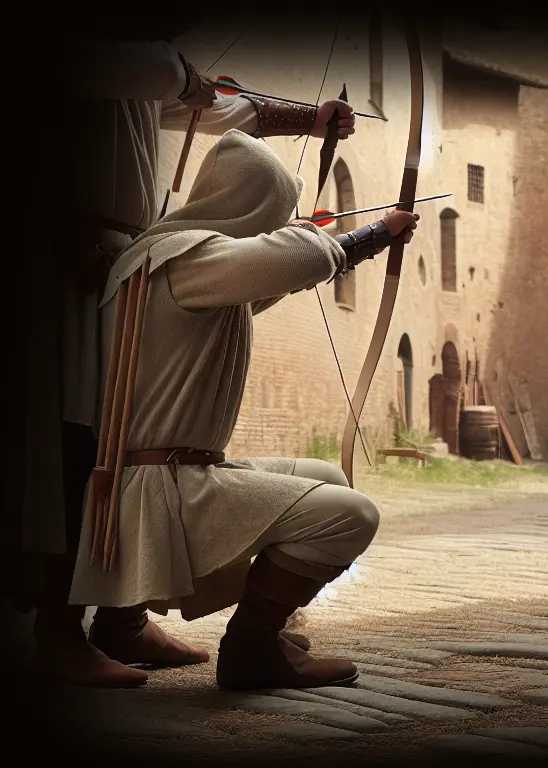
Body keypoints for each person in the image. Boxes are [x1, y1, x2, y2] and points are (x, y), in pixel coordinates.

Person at [13, 32, 358, 688]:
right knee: (79, 441)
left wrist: (308, 120)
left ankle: (120, 620)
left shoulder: (150, 73)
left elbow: (213, 105)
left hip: (111, 254)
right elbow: (139, 69)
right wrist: (180, 75)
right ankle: (57, 632)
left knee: (116, 434)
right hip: (63, 252)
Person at [69, 128, 416, 690]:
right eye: (274, 211)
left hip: (163, 476)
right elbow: (295, 257)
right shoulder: (185, 259)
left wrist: (371, 240)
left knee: (327, 479)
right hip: (162, 488)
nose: (279, 223)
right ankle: (252, 648)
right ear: (251, 204)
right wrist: (348, 233)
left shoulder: (169, 262)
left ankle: (121, 625)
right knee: (351, 515)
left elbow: (275, 278)